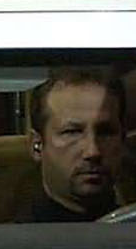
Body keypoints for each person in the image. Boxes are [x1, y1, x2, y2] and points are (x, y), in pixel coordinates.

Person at [25, 67, 130, 221]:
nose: (92, 151)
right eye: (72, 132)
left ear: (122, 140)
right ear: (37, 145)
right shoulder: (10, 242)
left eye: (105, 132)